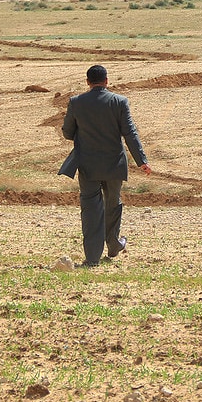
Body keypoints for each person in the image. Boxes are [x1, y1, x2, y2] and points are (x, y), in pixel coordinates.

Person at [61, 65, 151, 267]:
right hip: (114, 164)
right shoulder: (119, 102)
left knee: (91, 208)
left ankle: (92, 258)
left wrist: (82, 133)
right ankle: (113, 244)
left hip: (88, 165)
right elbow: (130, 133)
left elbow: (67, 132)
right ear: (107, 81)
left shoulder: (76, 102)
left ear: (87, 82)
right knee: (113, 203)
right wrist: (142, 161)